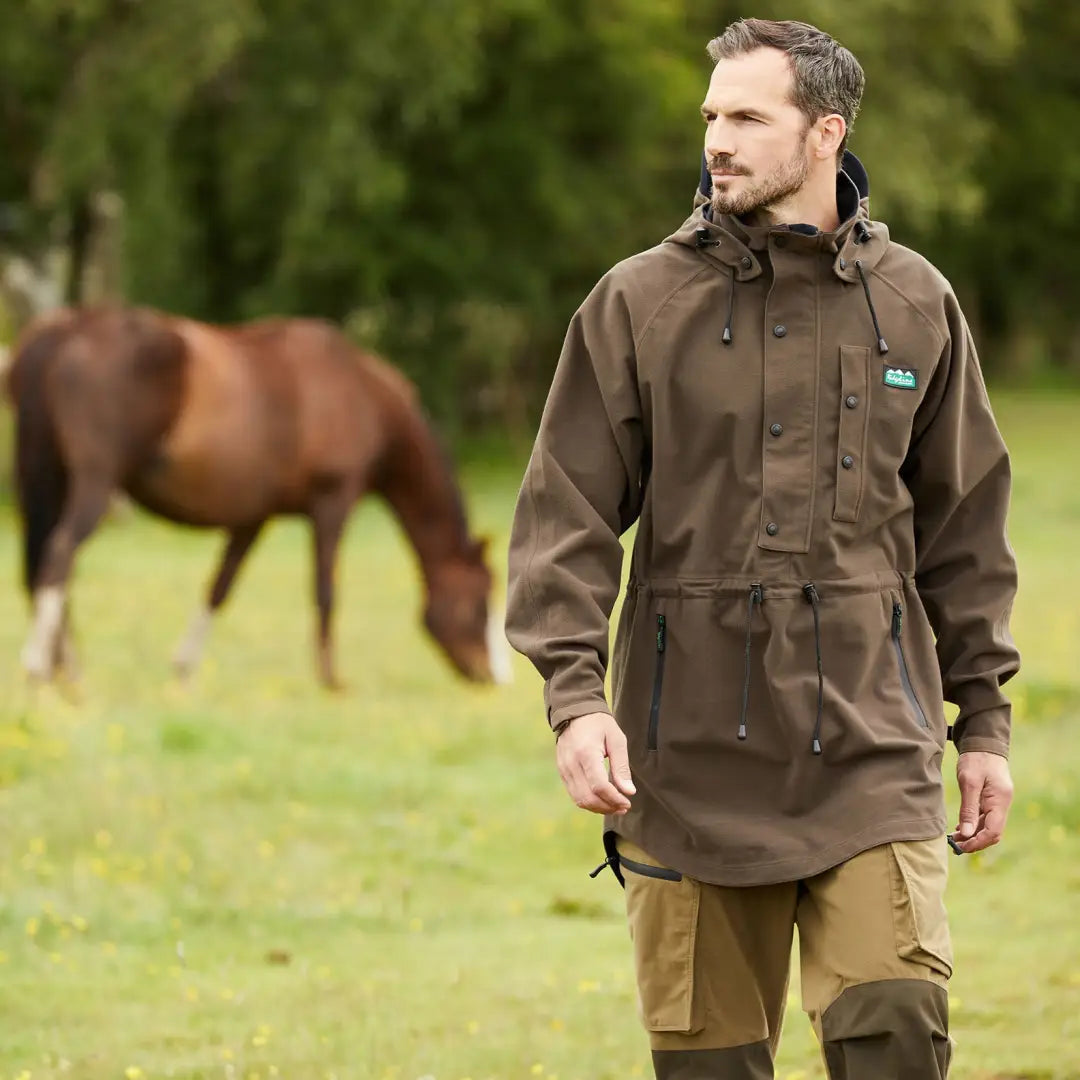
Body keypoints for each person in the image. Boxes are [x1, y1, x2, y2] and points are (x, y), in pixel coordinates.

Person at [504, 18, 1020, 1080]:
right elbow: (565, 518)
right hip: (683, 762)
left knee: (894, 1037)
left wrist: (987, 725)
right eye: (711, 117)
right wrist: (575, 697)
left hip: (875, 748)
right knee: (710, 1069)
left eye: (747, 117)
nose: (717, 141)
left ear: (825, 131)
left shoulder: (916, 302)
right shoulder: (636, 305)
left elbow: (965, 529)